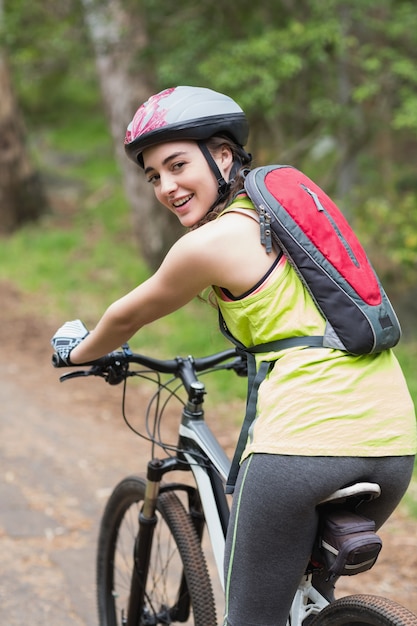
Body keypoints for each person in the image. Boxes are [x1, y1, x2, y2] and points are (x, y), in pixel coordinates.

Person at [51, 86, 417, 626]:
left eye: (177, 165)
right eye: (153, 176)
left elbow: (127, 317)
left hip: (304, 448)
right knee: (301, 601)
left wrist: (75, 350)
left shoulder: (210, 243)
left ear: (223, 156)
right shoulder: (288, 227)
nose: (167, 186)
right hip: (393, 441)